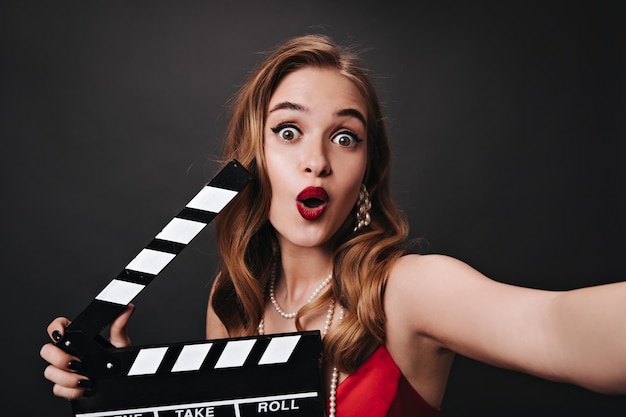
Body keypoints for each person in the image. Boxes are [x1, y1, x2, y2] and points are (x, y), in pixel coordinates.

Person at [40, 34, 625, 416]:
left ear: (366, 172)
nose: (316, 160)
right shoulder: (233, 303)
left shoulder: (410, 291)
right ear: (253, 159)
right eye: (288, 131)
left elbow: (558, 327)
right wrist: (120, 387)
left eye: (345, 137)